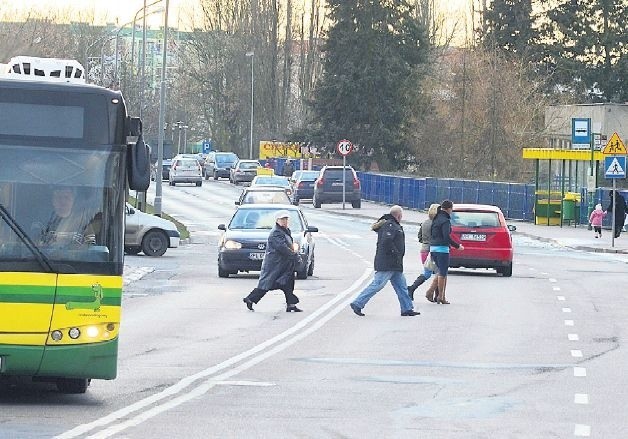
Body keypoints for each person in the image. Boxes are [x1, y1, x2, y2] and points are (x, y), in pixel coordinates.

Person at [349, 205, 420, 317]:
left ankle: (407, 308)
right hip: (388, 263)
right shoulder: (390, 225)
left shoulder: (391, 224)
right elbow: (387, 241)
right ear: (399, 215)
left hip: (395, 264)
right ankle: (358, 303)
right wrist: (396, 253)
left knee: (402, 287)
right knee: (378, 284)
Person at [243, 210, 303, 312]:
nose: (284, 221)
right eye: (282, 219)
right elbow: (282, 247)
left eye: (286, 219)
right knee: (267, 285)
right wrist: (294, 256)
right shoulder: (276, 232)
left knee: (288, 284)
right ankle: (250, 299)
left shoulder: (284, 230)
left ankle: (291, 305)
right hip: (275, 265)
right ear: (277, 220)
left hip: (284, 264)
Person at [429, 200, 464, 304]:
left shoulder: (436, 218)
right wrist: (457, 246)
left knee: (440, 272)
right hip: (442, 250)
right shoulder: (445, 221)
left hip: (433, 248)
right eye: (451, 209)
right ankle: (440, 296)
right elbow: (446, 237)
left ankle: (432, 293)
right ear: (449, 208)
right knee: (443, 273)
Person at [407, 203, 440, 301]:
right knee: (438, 272)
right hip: (432, 250)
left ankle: (435, 295)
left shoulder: (425, 223)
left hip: (424, 250)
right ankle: (413, 288)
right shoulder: (436, 224)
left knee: (430, 272)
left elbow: (420, 237)